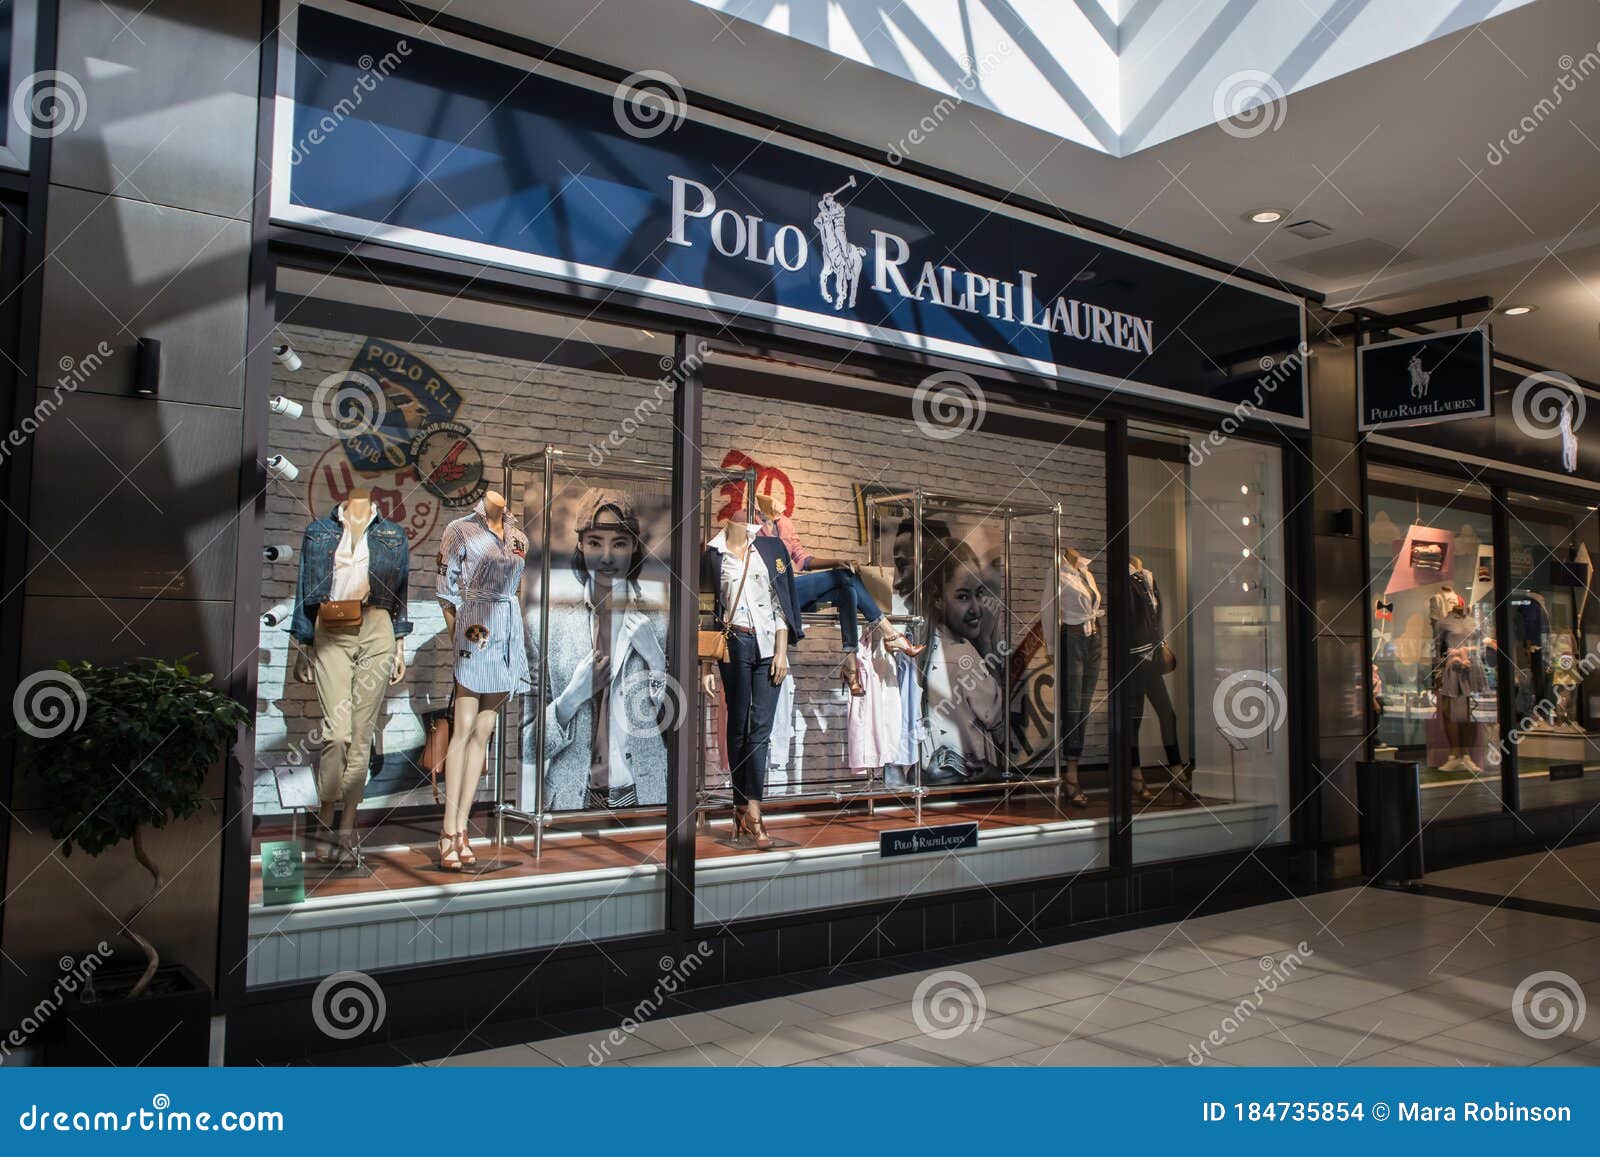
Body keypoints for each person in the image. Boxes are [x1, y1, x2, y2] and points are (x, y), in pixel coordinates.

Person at [531, 489, 669, 811]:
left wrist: (656, 661)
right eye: (595, 542)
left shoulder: (660, 619)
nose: (606, 557)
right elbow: (529, 744)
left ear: (634, 547)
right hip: (571, 796)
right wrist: (571, 699)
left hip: (644, 792)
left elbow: (677, 720)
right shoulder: (550, 621)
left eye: (619, 543)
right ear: (580, 544)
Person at [701, 518, 804, 849]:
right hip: (734, 643)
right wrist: (705, 663)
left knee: (761, 727)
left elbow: (782, 601)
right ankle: (740, 805)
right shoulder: (713, 555)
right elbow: (706, 609)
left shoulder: (771, 547)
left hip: (768, 643)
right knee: (738, 726)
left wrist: (782, 651)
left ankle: (753, 809)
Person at [755, 493, 922, 697]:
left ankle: (850, 665)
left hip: (794, 594)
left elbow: (802, 559)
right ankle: (889, 636)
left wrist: (836, 561)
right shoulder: (746, 519)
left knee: (847, 588)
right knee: (845, 578)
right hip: (771, 594)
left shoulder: (784, 523)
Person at [923, 542, 1005, 785]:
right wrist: (987, 642)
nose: (976, 608)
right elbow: (994, 715)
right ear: (938, 599)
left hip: (938, 771)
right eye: (962, 597)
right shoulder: (964, 655)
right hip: (972, 776)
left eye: (979, 594)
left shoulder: (929, 642)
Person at [1433, 601, 1487, 773]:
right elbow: (1436, 648)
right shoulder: (1443, 623)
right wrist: (1438, 672)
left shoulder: (1474, 622)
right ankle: (1454, 755)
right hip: (1452, 668)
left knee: (1468, 713)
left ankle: (1466, 755)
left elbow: (1481, 646)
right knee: (1450, 712)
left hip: (1471, 668)